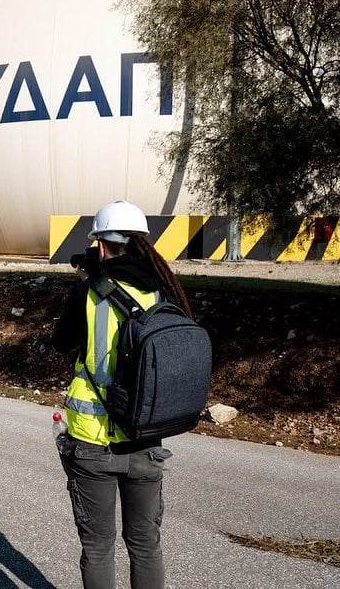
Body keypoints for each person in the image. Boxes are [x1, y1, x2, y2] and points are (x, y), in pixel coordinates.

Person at [50, 200, 194, 589]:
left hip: (92, 441)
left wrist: (88, 282)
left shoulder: (87, 294)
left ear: (99, 244)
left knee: (98, 548)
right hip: (145, 437)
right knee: (146, 545)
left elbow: (61, 342)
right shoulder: (163, 293)